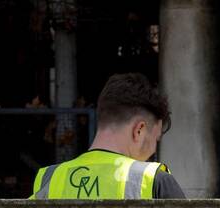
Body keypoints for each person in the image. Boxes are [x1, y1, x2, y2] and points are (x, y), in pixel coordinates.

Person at [30, 72, 186, 199]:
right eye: (155, 140)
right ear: (139, 130)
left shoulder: (48, 179)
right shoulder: (154, 181)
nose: (153, 151)